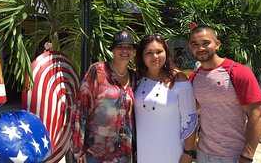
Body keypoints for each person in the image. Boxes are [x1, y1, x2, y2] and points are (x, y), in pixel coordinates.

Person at [188, 25, 261, 163]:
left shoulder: (238, 72)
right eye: (195, 44)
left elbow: (256, 115)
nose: (200, 48)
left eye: (206, 43)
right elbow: (192, 110)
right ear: (190, 48)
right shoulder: (194, 77)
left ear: (217, 44)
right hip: (202, 153)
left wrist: (247, 155)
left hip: (234, 156)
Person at [71, 30, 137, 163]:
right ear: (113, 50)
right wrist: (78, 148)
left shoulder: (134, 77)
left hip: (123, 154)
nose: (125, 51)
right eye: (120, 47)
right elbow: (80, 108)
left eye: (129, 47)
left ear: (134, 51)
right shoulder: (98, 70)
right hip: (95, 153)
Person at [134, 34, 198, 163]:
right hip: (143, 152)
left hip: (172, 153)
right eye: (149, 53)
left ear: (166, 53)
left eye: (159, 52)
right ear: (142, 56)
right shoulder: (136, 79)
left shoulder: (179, 79)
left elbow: (190, 119)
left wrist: (188, 153)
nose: (155, 56)